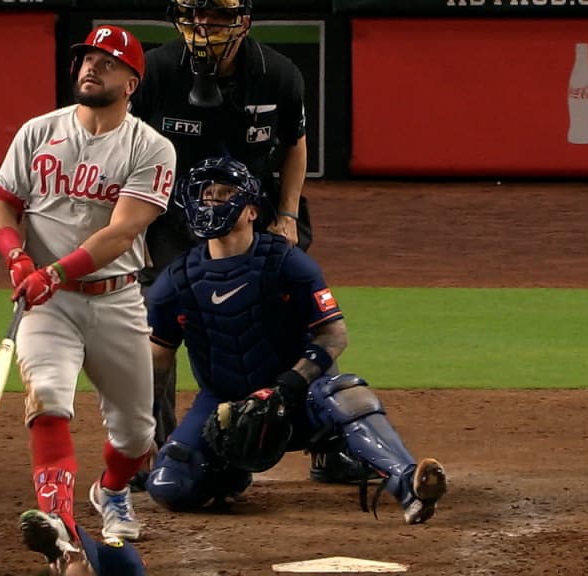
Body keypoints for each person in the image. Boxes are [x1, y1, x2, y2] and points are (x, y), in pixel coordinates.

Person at [142, 157, 448, 525]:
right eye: (206, 196)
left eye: (224, 194)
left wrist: (288, 386)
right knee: (169, 487)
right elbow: (158, 361)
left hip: (297, 400)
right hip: (222, 409)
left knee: (348, 393)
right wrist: (140, 432)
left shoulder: (286, 263)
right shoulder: (175, 281)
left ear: (252, 209)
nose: (213, 203)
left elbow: (333, 335)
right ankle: (227, 472)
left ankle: (408, 484)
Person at [129, 0, 355, 487]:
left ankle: (326, 442)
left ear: (242, 21)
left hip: (256, 214)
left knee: (293, 321)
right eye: (194, 15)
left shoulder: (277, 73)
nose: (202, 26)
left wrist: (290, 215)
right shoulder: (160, 70)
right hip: (173, 217)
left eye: (215, 17)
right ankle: (155, 448)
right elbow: (128, 153)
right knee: (156, 331)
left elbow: (295, 144)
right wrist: (135, 229)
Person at [0, 24, 176, 576]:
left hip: (116, 300)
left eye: (108, 62)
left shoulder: (151, 148)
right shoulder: (38, 132)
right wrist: (17, 256)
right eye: (88, 58)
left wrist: (57, 270)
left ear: (132, 81)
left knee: (138, 436)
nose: (92, 67)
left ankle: (110, 490)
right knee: (47, 402)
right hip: (46, 305)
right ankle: (63, 538)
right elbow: (1, 204)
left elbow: (120, 231)